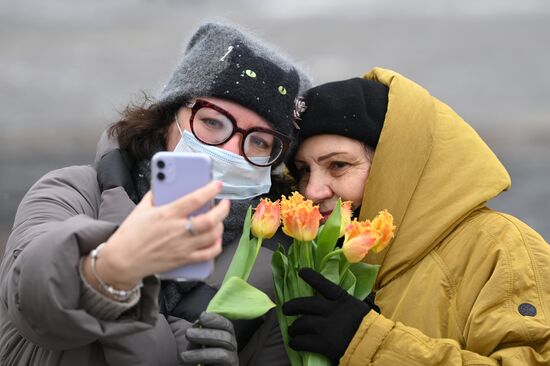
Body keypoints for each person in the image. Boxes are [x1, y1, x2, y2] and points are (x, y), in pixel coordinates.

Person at [0, 21, 310, 365]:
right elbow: (30, 298)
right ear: (169, 117)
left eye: (260, 142)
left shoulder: (274, 261)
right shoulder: (74, 191)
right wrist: (111, 268)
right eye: (212, 122)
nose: (232, 149)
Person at [282, 68, 550, 365]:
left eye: (338, 165)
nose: (312, 190)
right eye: (304, 170)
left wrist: (368, 344)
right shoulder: (310, 258)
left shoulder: (499, 246)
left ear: (395, 165)